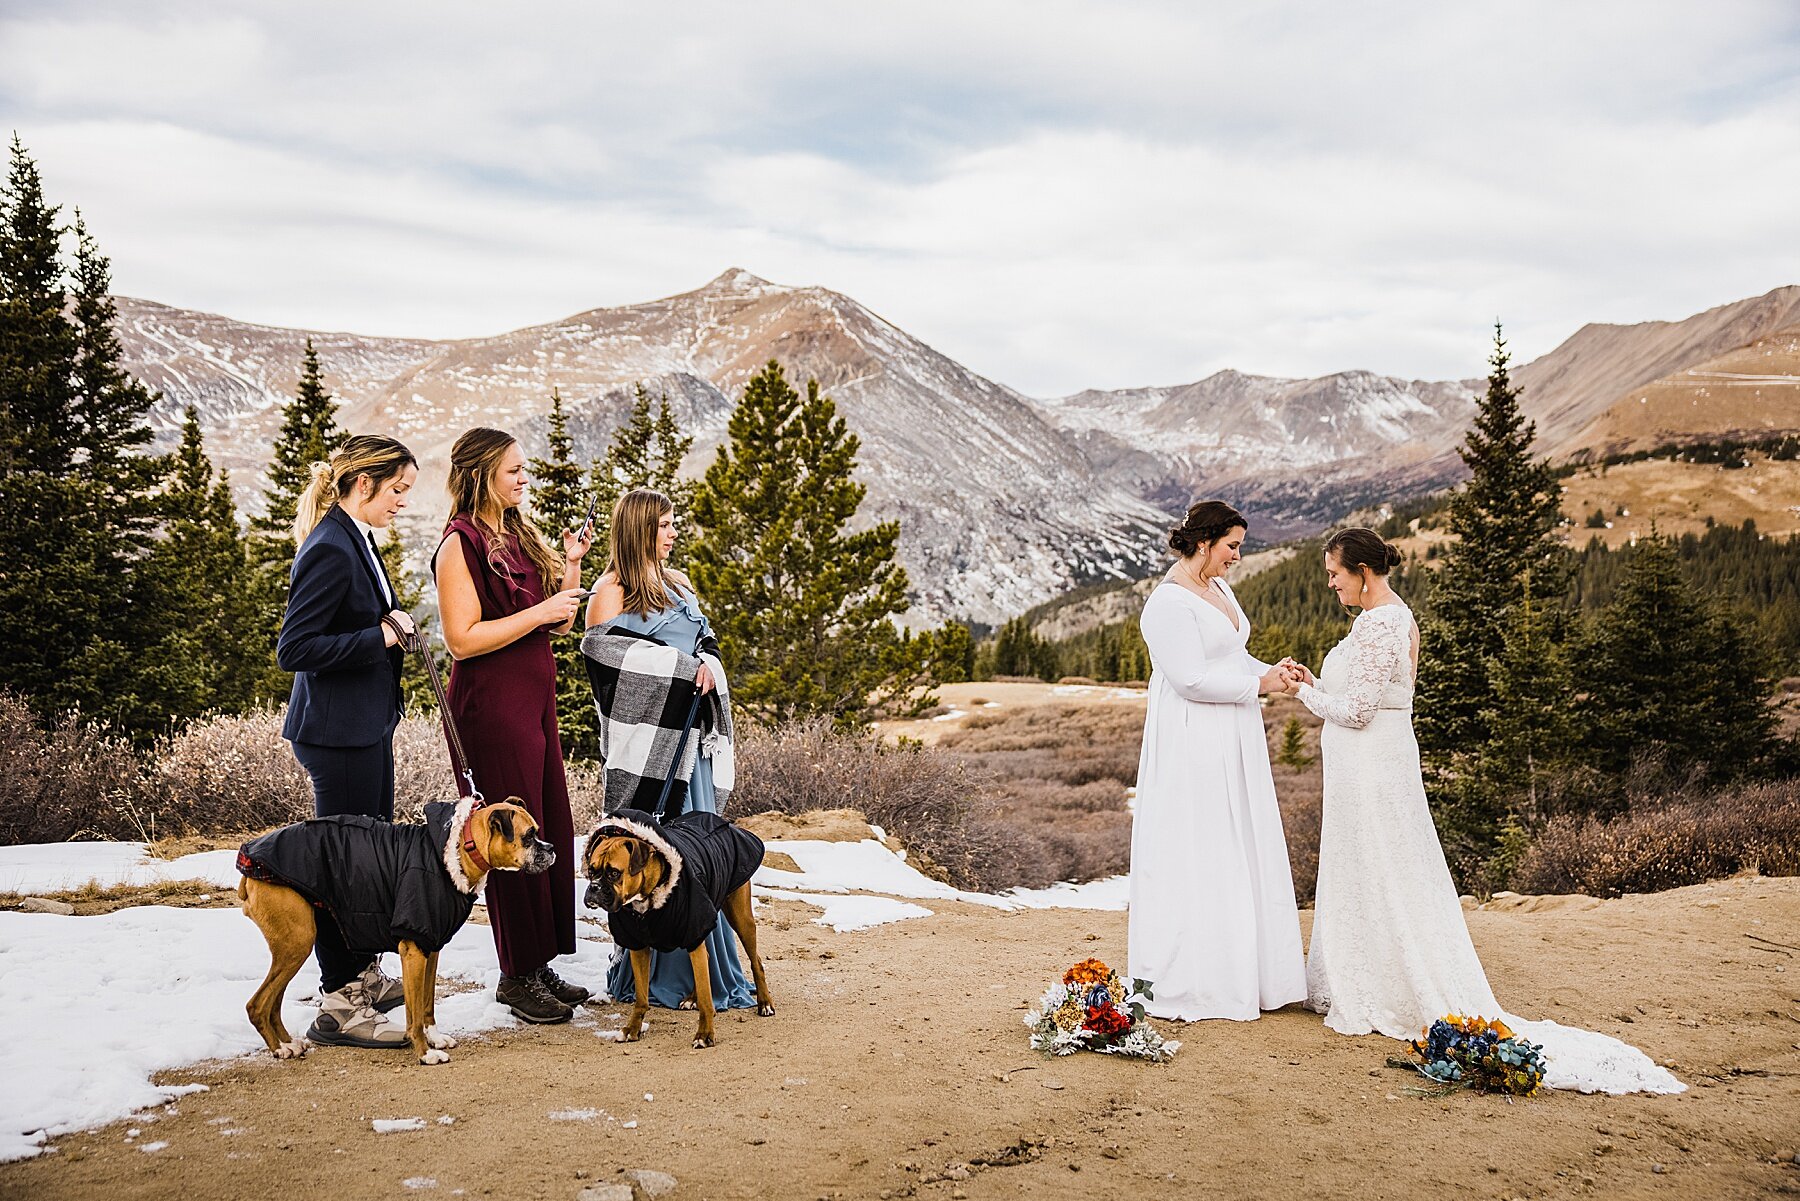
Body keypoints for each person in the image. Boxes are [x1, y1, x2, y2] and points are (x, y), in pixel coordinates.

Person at [1289, 527, 1683, 1093]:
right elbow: (1364, 696)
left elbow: (1356, 711)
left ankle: (1383, 983)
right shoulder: (1378, 620)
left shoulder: (1381, 623)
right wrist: (1314, 679)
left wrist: (1302, 692)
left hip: (1372, 765)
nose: (1330, 582)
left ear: (1363, 572)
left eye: (1335, 572)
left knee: (1382, 861)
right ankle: (1362, 973)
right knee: (1366, 863)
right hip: (1365, 766)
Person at [1127, 499, 1308, 1021]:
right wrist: (1259, 685)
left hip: (1234, 729)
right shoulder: (1167, 604)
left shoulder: (1219, 587)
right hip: (1194, 736)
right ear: (1203, 542)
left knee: (1240, 836)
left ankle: (1247, 971)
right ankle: (1200, 978)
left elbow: (1228, 657)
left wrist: (1271, 670)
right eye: (1231, 546)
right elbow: (1190, 679)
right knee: (1205, 840)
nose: (1236, 557)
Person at [433, 427, 591, 1024]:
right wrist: (539, 612)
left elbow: (556, 624)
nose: (525, 479)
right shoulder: (459, 545)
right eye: (513, 471)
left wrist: (570, 568)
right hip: (491, 707)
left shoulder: (516, 533)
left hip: (534, 701)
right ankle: (514, 974)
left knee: (546, 821)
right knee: (508, 835)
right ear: (480, 476)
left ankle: (540, 961)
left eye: (524, 470)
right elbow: (461, 639)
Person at [585, 488, 758, 1014]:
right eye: (664, 526)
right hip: (648, 748)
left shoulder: (678, 584)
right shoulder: (609, 593)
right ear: (640, 531)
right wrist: (683, 671)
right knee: (655, 851)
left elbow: (707, 644)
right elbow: (604, 665)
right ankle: (661, 979)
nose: (674, 533)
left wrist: (707, 665)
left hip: (691, 742)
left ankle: (708, 974)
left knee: (698, 857)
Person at [276, 434, 419, 1049]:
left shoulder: (354, 537)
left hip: (363, 726)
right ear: (365, 485)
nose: (403, 504)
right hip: (338, 736)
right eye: (398, 491)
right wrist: (380, 638)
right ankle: (339, 1006)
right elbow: (296, 649)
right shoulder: (331, 548)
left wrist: (385, 630)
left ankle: (360, 973)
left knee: (367, 860)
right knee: (344, 867)